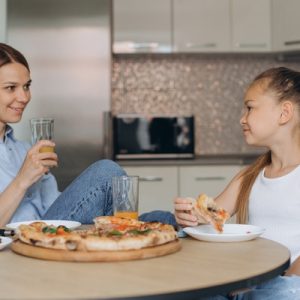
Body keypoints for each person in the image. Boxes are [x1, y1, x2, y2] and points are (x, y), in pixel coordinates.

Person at [0, 43, 175, 227]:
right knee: (105, 171)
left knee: (151, 219)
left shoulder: (26, 151)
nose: (24, 97)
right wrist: (22, 180)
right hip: (20, 244)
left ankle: (177, 222)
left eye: (26, 86)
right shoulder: (29, 159)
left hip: (49, 234)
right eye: (11, 87)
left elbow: (59, 208)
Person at [175, 67, 300, 299]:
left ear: (284, 113)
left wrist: (271, 289)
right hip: (246, 282)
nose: (242, 118)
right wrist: (192, 216)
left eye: (250, 108)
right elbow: (214, 220)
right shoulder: (249, 176)